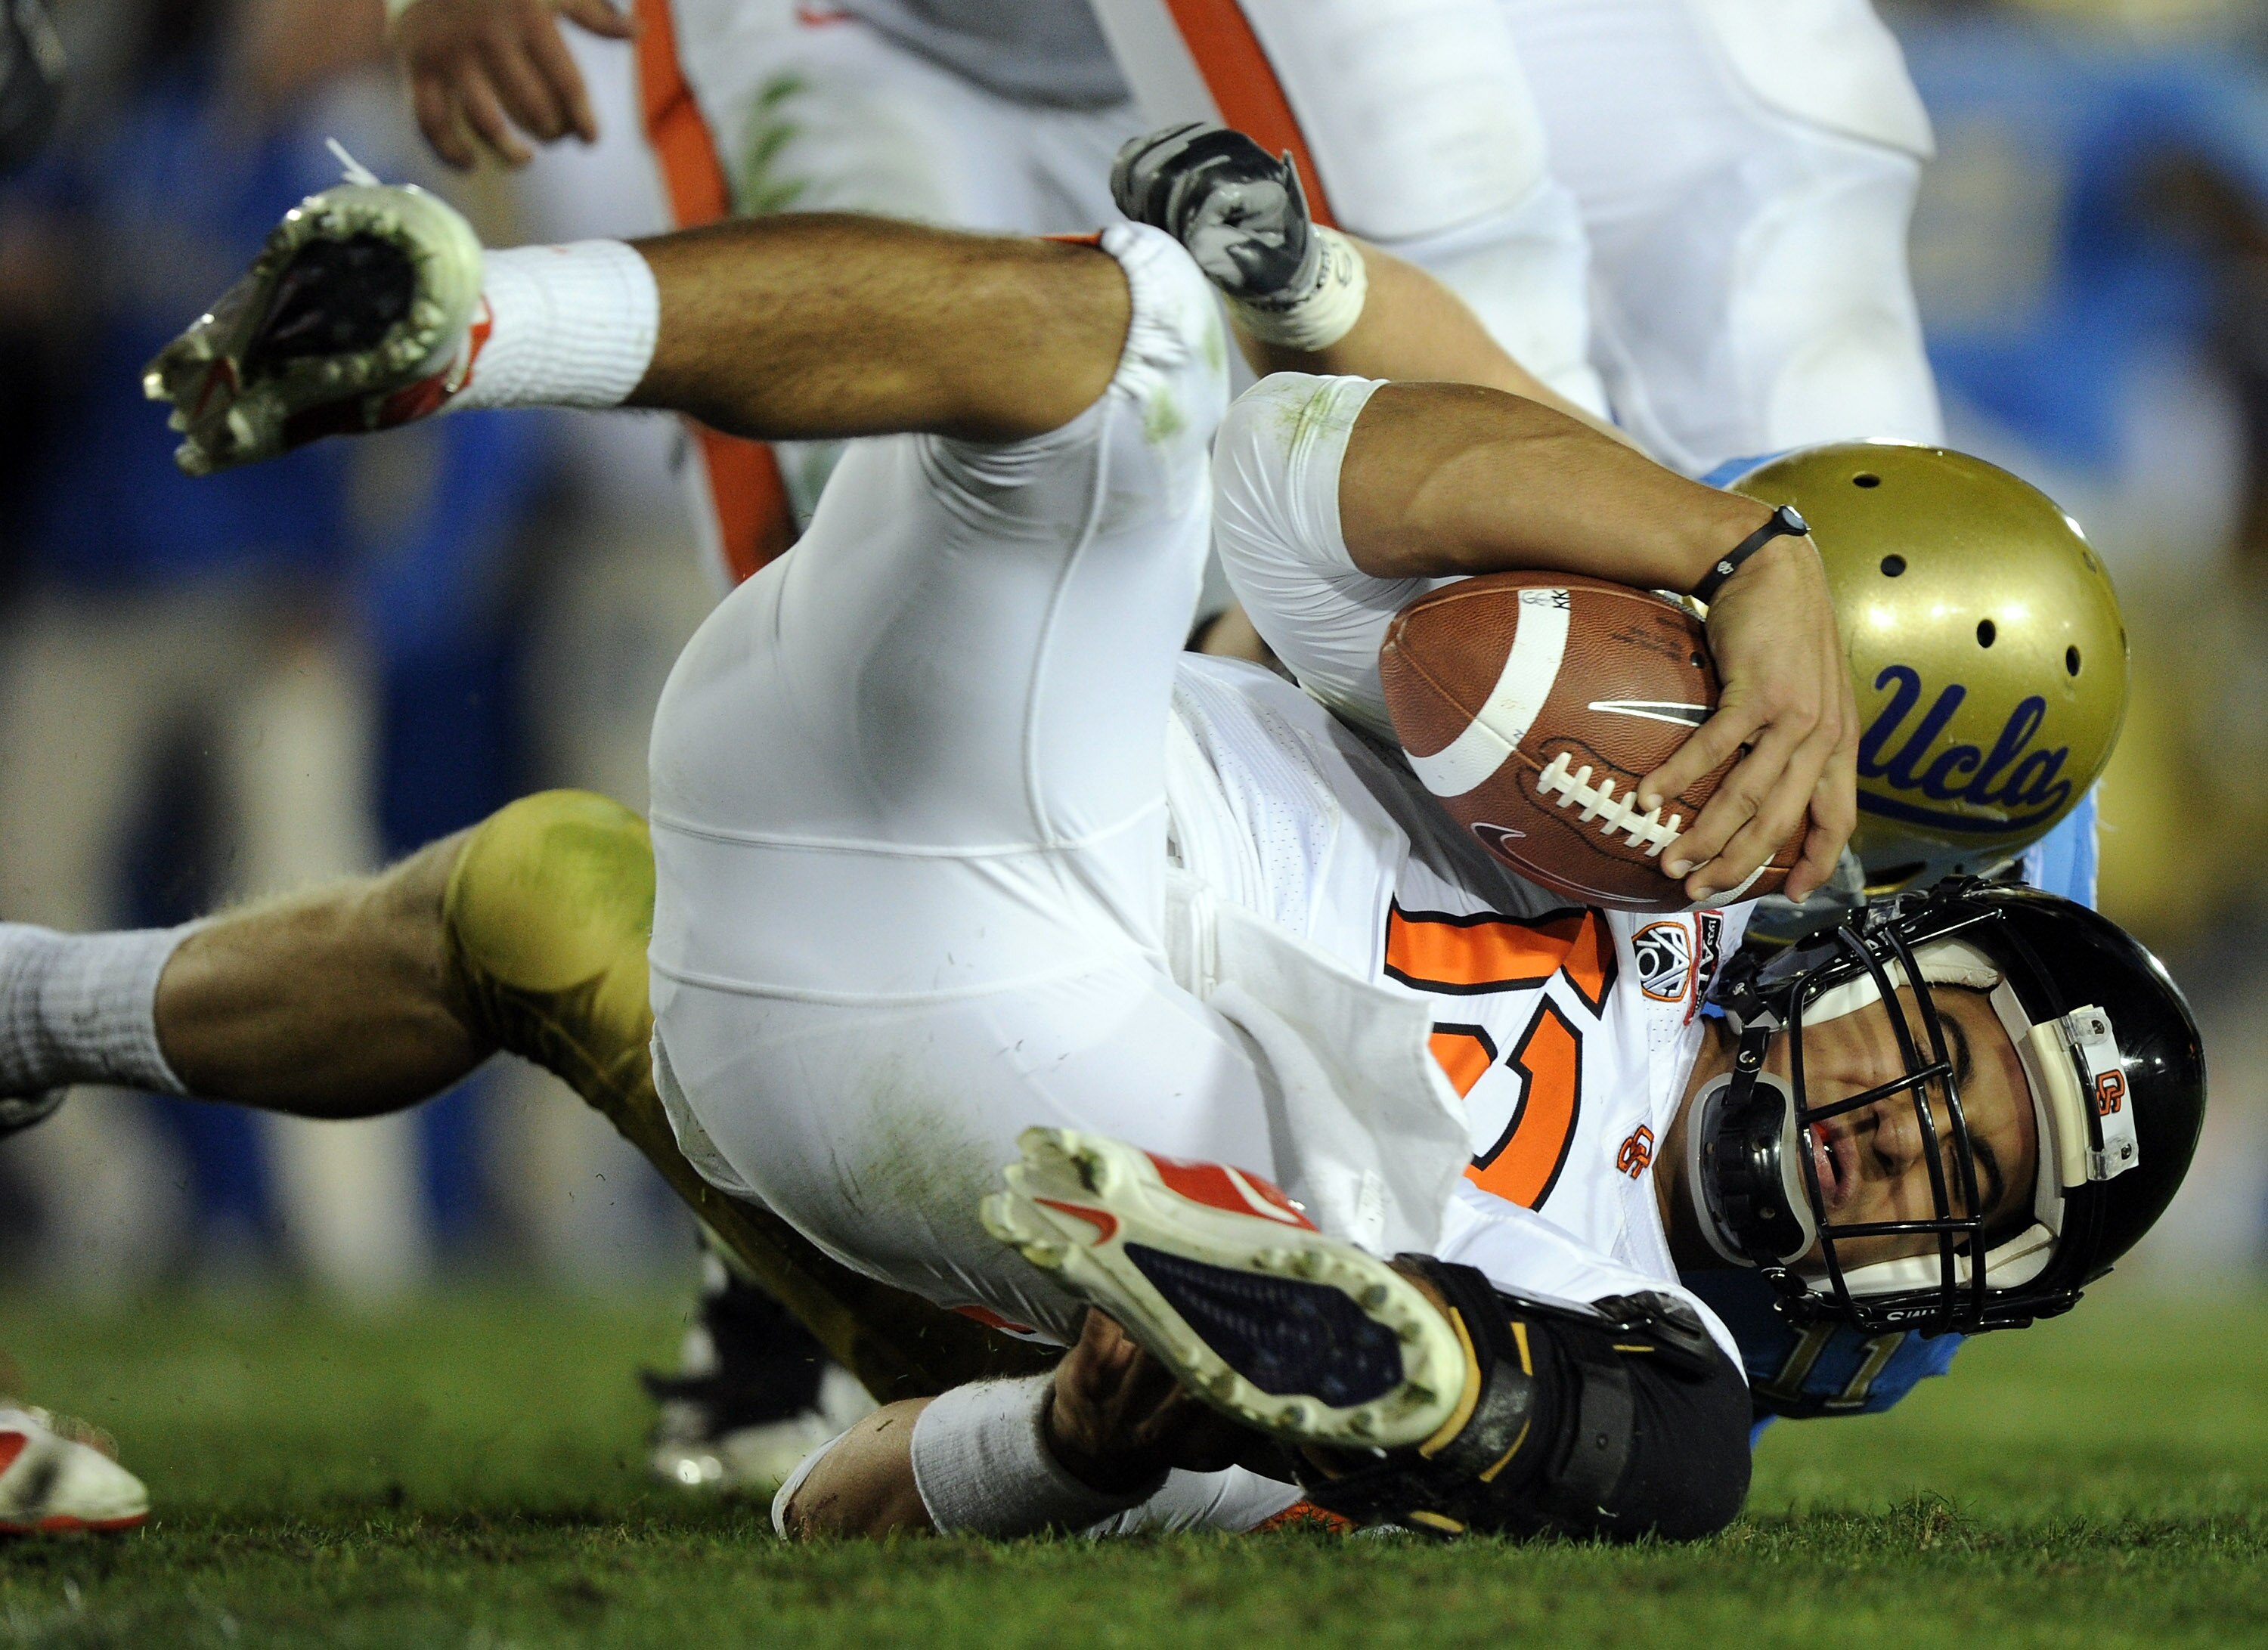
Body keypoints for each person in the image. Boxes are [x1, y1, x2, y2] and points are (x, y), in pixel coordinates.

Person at [31, 169, 2195, 1537]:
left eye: (1966, 1176)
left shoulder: (1689, 1332)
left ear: (1977, 1281)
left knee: (1449, 1396)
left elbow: (844, 1515)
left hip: (999, 1077)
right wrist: (1736, 550)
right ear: (1890, 941)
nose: (1903, 1134)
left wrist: (1068, 1444)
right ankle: (470, 324)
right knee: (1136, 340)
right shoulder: (1683, 786)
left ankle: (1410, 1377)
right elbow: (1303, 463)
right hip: (956, 764)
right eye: (1941, 1061)